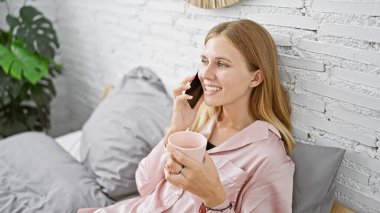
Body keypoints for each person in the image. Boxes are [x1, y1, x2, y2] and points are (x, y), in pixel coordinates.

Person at [78, 19, 296, 213]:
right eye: (204, 61)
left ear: (256, 78)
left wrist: (215, 199)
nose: (206, 74)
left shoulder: (268, 158)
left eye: (221, 64)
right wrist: (176, 129)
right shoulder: (199, 124)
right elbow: (144, 185)